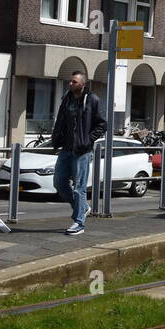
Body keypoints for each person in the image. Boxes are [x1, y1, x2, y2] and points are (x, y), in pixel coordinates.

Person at [50, 70, 106, 235]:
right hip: (66, 149)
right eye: (70, 81)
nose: (70, 84)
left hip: (81, 151)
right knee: (59, 184)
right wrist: (56, 138)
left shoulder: (92, 100)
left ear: (83, 84)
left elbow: (102, 124)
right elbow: (61, 120)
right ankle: (82, 208)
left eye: (74, 82)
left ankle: (79, 223)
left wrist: (87, 141)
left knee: (79, 187)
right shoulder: (66, 99)